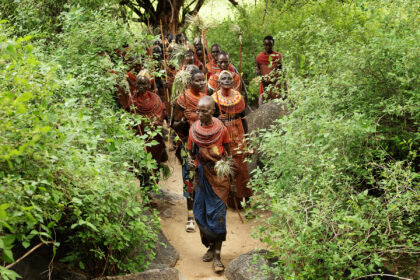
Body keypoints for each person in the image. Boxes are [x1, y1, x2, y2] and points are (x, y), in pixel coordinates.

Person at [188, 96, 231, 273]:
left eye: (203, 110)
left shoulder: (222, 130)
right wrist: (191, 163)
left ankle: (218, 257)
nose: (199, 113)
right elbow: (191, 153)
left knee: (218, 216)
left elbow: (228, 153)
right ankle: (211, 246)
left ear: (212, 111)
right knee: (200, 214)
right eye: (197, 110)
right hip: (202, 178)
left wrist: (224, 166)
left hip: (219, 179)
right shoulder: (194, 130)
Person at [172, 69, 207, 233]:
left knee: (205, 176)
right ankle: (190, 217)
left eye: (203, 80)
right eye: (198, 81)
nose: (201, 83)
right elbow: (174, 124)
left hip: (206, 142)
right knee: (189, 178)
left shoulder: (207, 99)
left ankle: (204, 213)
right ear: (189, 82)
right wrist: (184, 120)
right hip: (189, 144)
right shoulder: (182, 99)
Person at [212, 70, 252, 208]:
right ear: (219, 83)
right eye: (223, 78)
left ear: (233, 81)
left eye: (229, 78)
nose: (227, 80)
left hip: (238, 133)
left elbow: (244, 119)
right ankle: (229, 201)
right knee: (226, 166)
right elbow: (208, 120)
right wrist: (217, 119)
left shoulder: (239, 98)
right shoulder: (214, 99)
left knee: (242, 168)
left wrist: (247, 139)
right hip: (223, 136)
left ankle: (244, 198)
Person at [255, 35, 286, 105]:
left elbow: (282, 71)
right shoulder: (259, 58)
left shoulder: (278, 56)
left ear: (273, 45)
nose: (268, 47)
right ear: (263, 45)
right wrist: (257, 72)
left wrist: (285, 89)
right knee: (263, 105)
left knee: (276, 105)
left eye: (270, 45)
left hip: (276, 86)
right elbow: (258, 70)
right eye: (266, 45)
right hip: (264, 85)